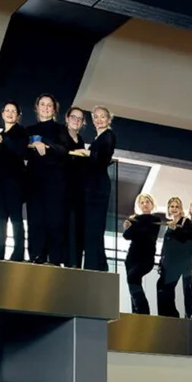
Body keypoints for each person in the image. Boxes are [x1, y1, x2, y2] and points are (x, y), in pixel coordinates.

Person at [25, 94, 68, 266]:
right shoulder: (28, 130)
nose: (45, 108)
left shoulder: (60, 129)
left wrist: (43, 142)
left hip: (55, 181)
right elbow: (21, 151)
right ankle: (36, 255)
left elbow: (64, 150)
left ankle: (55, 258)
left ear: (54, 109)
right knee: (35, 219)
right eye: (42, 104)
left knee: (54, 219)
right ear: (37, 107)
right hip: (34, 180)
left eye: (49, 105)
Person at [72, 106, 116, 271]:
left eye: (102, 116)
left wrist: (87, 153)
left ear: (108, 119)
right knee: (91, 227)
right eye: (96, 117)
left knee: (94, 227)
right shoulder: (99, 138)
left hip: (98, 188)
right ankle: (96, 264)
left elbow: (104, 159)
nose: (99, 120)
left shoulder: (108, 135)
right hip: (93, 187)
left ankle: (96, 265)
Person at [0, 99, 28, 261]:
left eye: (13, 111)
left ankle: (18, 254)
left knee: (16, 219)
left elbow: (20, 151)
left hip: (14, 184)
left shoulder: (21, 132)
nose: (10, 113)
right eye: (7, 110)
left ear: (18, 115)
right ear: (2, 114)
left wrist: (3, 141)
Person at [122, 193, 162, 314]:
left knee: (132, 278)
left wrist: (133, 226)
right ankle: (136, 312)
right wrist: (129, 226)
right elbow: (126, 235)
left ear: (152, 204)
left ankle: (143, 309)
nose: (145, 204)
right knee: (134, 283)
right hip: (132, 257)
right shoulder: (135, 219)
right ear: (139, 205)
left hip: (146, 258)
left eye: (147, 202)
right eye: (142, 202)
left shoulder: (155, 220)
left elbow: (146, 233)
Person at [61, 105, 87, 268]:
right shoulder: (60, 135)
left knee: (76, 226)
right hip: (62, 187)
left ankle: (74, 262)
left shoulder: (81, 141)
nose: (76, 121)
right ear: (67, 118)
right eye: (73, 117)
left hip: (77, 189)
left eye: (80, 119)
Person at [156, 196, 185, 317]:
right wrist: (160, 261)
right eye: (172, 206)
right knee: (161, 286)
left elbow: (185, 240)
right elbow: (165, 246)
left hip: (177, 262)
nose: (174, 209)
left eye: (177, 206)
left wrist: (175, 230)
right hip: (166, 262)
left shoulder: (184, 222)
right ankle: (164, 315)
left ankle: (172, 315)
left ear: (181, 208)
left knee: (168, 288)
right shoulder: (169, 224)